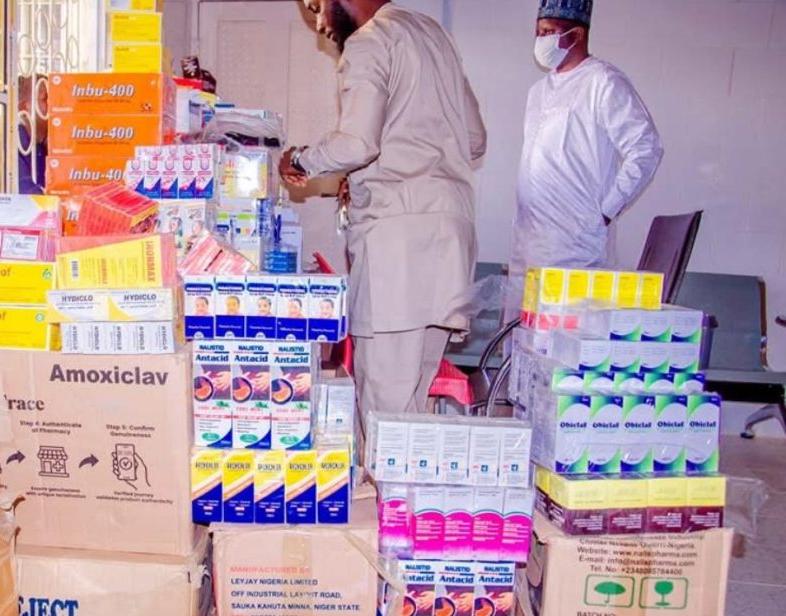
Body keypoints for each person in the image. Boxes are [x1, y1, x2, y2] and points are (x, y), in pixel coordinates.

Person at [280, 0, 486, 419]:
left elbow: (357, 144)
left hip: (397, 247)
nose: (319, 24)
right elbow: (475, 140)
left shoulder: (370, 40)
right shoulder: (434, 36)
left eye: (316, 7)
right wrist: (369, 173)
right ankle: (406, 465)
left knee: (385, 405)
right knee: (415, 402)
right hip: (449, 238)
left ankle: (387, 466)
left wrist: (299, 160)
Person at [510, 0, 664, 281]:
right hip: (528, 244)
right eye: (538, 33)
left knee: (569, 311)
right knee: (523, 310)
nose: (541, 41)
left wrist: (605, 211)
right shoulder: (538, 92)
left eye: (548, 32)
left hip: (576, 248)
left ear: (577, 35)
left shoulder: (603, 81)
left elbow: (645, 148)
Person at [18, 74, 48, 194]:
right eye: (45, 99)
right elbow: (28, 195)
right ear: (23, 108)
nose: (54, 105)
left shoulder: (45, 144)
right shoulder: (13, 146)